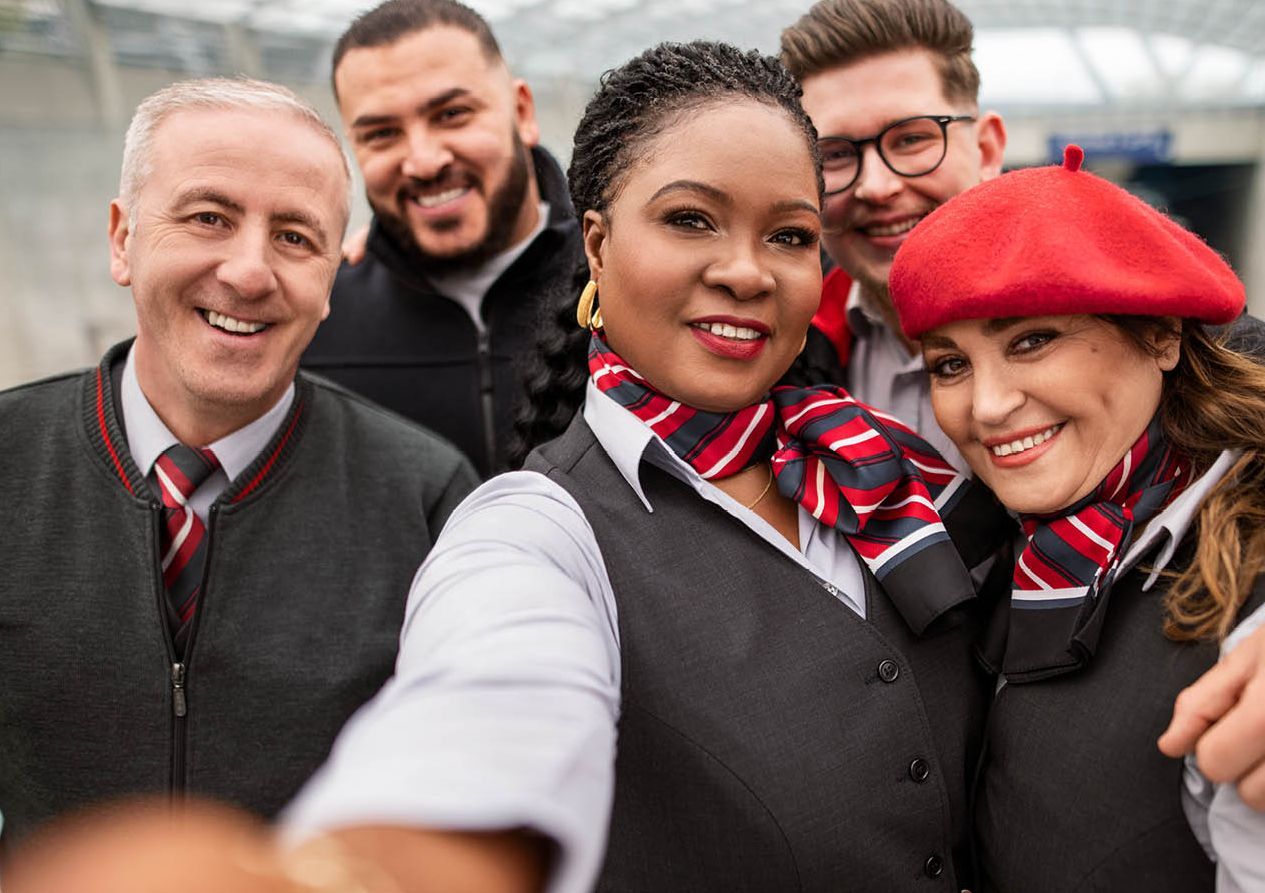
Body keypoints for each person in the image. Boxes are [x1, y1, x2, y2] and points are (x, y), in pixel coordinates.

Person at [6, 42, 1006, 893]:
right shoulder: (534, 525)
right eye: (690, 218)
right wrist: (369, 863)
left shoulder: (897, 468)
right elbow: (497, 691)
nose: (745, 269)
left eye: (788, 234)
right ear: (600, 247)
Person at [0, 77, 477, 848]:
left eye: (295, 236)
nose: (250, 272)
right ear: (122, 238)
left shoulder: (426, 496)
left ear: (330, 283)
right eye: (208, 217)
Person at [888, 145, 1265, 891]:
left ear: (1159, 334)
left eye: (1031, 340)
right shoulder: (999, 546)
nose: (986, 407)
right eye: (948, 364)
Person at [300, 0, 583, 476]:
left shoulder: (618, 285)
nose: (425, 161)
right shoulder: (314, 321)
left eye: (452, 114)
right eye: (383, 133)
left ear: (522, 112)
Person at [778, 0, 1005, 466]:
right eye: (835, 154)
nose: (877, 187)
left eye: (911, 139)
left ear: (986, 149)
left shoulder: (1110, 328)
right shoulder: (781, 350)